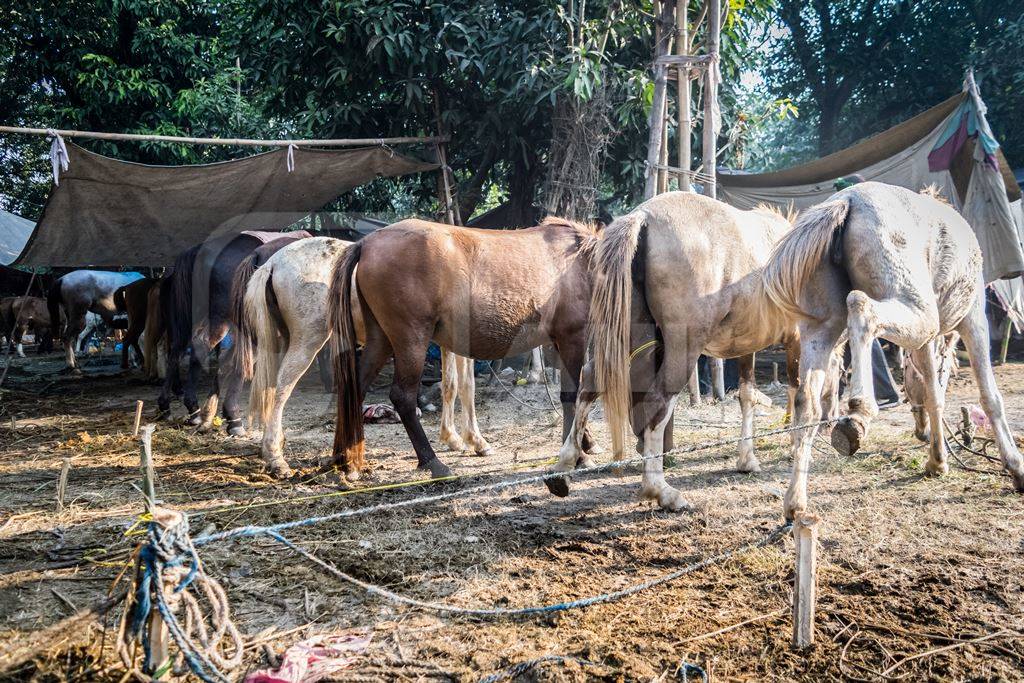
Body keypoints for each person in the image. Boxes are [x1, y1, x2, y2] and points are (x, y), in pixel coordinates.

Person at [833, 175, 901, 408]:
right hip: (854, 290)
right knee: (851, 339)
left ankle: (887, 393)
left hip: (859, 291)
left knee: (862, 336)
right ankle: (837, 391)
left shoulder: (863, 217)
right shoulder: (855, 216)